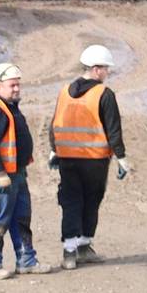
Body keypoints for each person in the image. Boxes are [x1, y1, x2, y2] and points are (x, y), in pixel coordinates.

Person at [48, 44, 133, 268]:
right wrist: (122, 159)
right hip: (94, 160)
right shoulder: (104, 94)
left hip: (67, 159)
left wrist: (54, 150)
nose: (107, 72)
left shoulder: (64, 91)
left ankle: (69, 254)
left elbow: (55, 124)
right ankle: (84, 247)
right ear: (96, 69)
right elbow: (113, 130)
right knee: (91, 201)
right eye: (105, 68)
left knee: (71, 202)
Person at [0, 62, 42, 279]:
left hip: (17, 172)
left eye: (18, 85)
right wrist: (1, 174)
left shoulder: (10, 107)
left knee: (21, 217)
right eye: (12, 85)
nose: (16, 89)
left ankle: (26, 260)